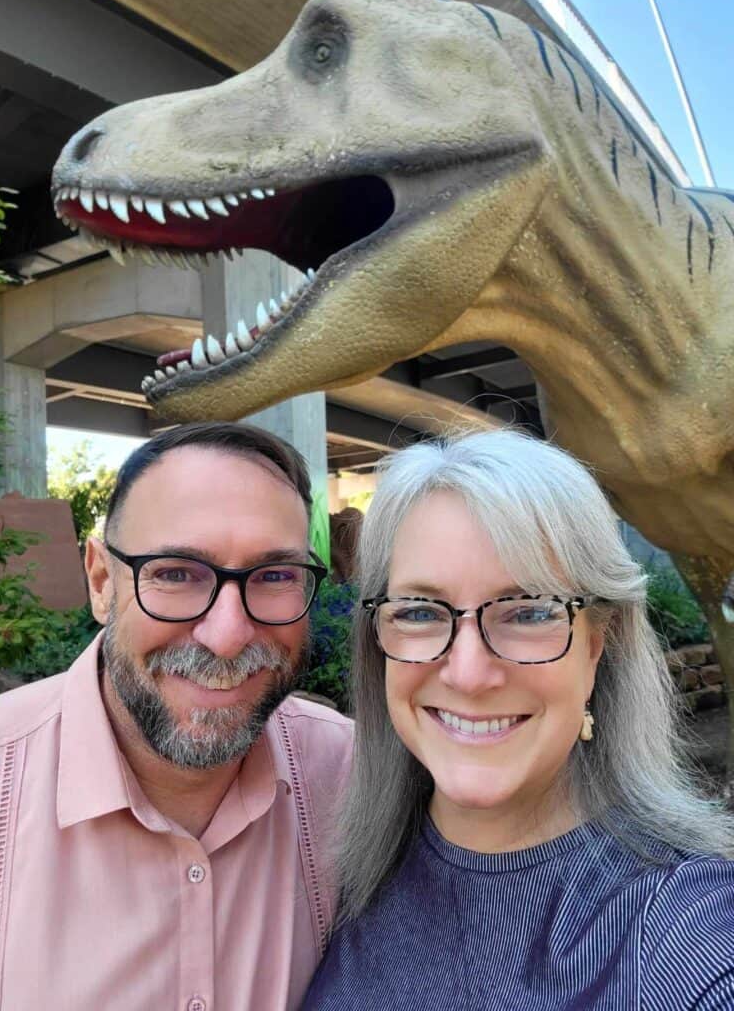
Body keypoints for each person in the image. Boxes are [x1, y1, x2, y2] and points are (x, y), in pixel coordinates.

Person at [303, 428, 734, 1011]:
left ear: (597, 644)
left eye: (529, 611)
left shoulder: (691, 934)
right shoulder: (336, 876)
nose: (468, 673)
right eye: (421, 611)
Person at [0, 422, 352, 1011]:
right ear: (100, 581)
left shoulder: (355, 779)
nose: (227, 637)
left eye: (275, 576)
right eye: (175, 573)